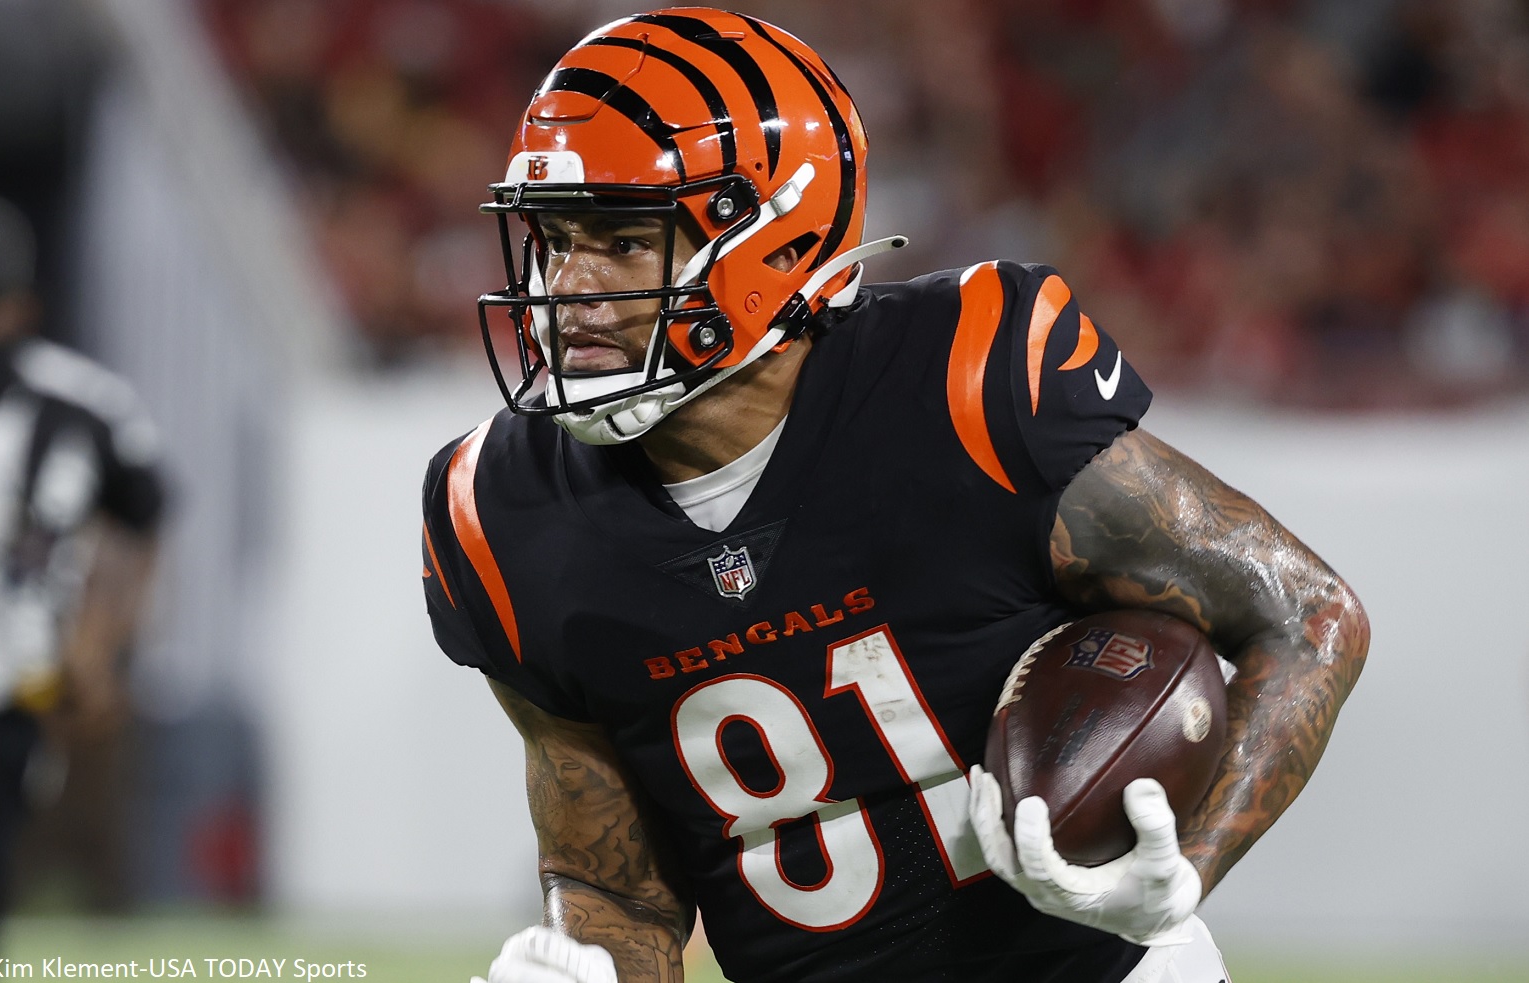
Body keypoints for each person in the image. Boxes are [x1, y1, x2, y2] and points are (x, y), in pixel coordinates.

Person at [419, 9, 1369, 982]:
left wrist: (1184, 873)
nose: (565, 285)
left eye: (622, 241)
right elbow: (620, 886)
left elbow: (1304, 614)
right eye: (551, 236)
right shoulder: (500, 511)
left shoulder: (964, 391)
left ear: (772, 245)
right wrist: (590, 963)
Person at [0, 190, 166, 977]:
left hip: (7, 692)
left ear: (20, 308)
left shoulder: (80, 404)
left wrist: (101, 642)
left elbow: (144, 519)